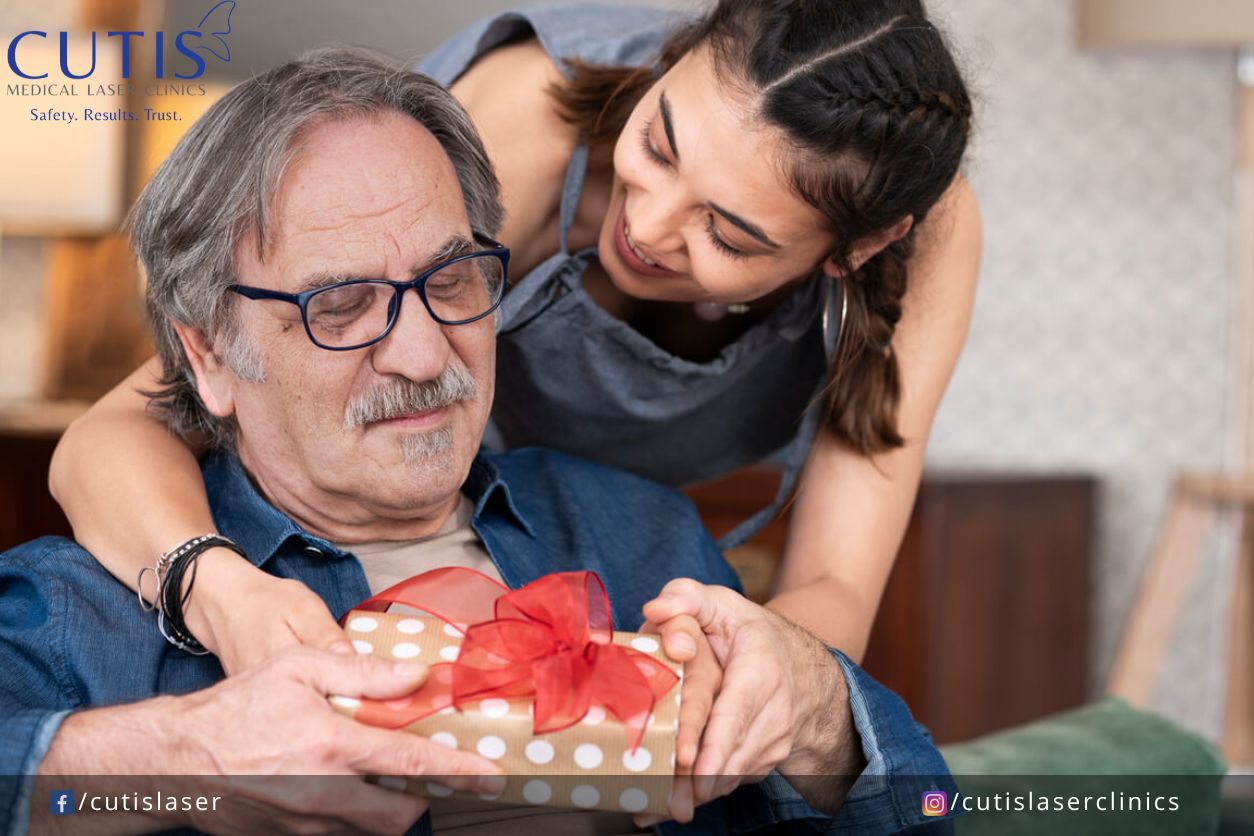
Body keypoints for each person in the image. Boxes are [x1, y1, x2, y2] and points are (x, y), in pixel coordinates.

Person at [2, 49, 956, 835]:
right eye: (342, 305)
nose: (424, 354)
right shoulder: (79, 609)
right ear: (209, 354)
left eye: (454, 278)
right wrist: (182, 762)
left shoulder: (639, 540)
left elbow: (925, 811)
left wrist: (820, 712)